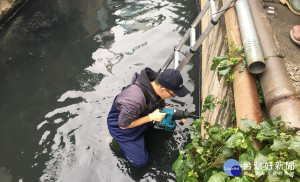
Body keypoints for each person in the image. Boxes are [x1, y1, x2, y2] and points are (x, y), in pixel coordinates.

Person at [107, 67, 190, 167]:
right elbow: (124, 125)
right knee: (141, 162)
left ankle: (144, 134)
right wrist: (150, 117)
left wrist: (178, 114)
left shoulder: (155, 85)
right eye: (172, 95)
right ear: (162, 89)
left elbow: (161, 104)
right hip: (122, 129)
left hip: (142, 117)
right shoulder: (134, 100)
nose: (173, 97)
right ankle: (116, 146)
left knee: (169, 123)